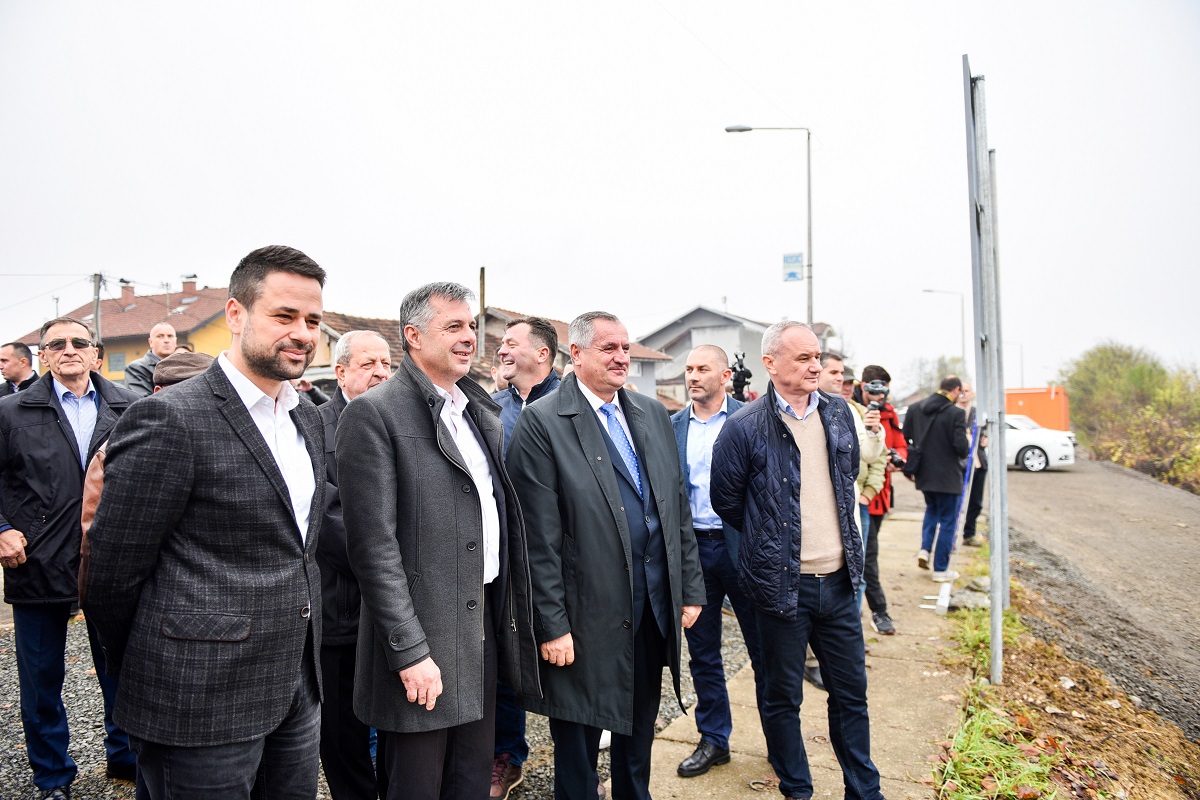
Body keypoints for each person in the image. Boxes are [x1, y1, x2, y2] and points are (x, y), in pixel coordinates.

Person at [84, 245, 327, 799]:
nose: (302, 333)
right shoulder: (169, 416)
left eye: (312, 320)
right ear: (236, 315)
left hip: (295, 686)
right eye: (284, 315)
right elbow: (112, 573)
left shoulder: (307, 419)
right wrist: (155, 664)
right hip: (195, 696)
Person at [336, 282, 540, 800]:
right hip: (422, 635)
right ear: (413, 336)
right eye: (453, 327)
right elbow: (374, 550)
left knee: (469, 779)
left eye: (470, 326)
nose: (470, 336)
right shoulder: (375, 414)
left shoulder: (478, 413)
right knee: (417, 784)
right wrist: (409, 652)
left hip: (480, 625)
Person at [505, 310, 705, 800]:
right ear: (575, 354)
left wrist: (689, 586)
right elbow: (535, 538)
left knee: (638, 736)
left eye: (625, 348)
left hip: (648, 610)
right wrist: (551, 624)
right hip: (583, 619)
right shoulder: (543, 422)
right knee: (578, 747)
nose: (621, 358)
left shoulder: (651, 414)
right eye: (608, 348)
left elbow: (674, 507)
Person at [711, 321, 884, 800]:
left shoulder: (838, 413)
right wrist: (774, 544)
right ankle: (797, 789)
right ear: (770, 363)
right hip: (782, 588)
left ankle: (864, 791)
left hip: (840, 583)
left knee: (851, 696)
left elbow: (847, 476)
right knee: (782, 698)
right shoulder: (743, 427)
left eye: (817, 357)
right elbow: (728, 502)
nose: (814, 366)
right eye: (803, 358)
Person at [0, 317, 140, 800]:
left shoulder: (130, 406)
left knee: (120, 670)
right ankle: (52, 776)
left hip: (111, 563)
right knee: (41, 681)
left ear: (96, 353)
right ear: (43, 356)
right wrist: (2, 529)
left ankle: (125, 756)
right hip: (37, 560)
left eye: (79, 342)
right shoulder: (11, 411)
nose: (69, 349)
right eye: (56, 344)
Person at [670, 345, 764, 779]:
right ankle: (714, 739)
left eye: (702, 369)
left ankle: (781, 741)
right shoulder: (673, 427)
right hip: (695, 552)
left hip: (743, 548)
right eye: (689, 369)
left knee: (765, 650)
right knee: (702, 652)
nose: (692, 376)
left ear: (725, 376)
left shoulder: (751, 419)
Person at [317, 330, 392, 800]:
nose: (381, 373)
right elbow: (328, 521)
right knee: (343, 735)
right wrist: (395, 566)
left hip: (397, 610)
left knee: (398, 728)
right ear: (341, 372)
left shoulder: (403, 423)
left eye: (387, 364)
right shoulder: (316, 427)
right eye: (369, 364)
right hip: (341, 611)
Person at [488, 316, 561, 800]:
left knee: (567, 663)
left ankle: (576, 764)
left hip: (562, 561)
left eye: (511, 343)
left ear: (543, 353)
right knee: (504, 663)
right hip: (504, 561)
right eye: (501, 343)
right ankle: (507, 755)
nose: (501, 350)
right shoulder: (492, 410)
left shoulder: (573, 407)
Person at [903, 376, 970, 581]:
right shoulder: (956, 413)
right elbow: (961, 448)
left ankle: (925, 549)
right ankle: (940, 569)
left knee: (932, 510)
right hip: (948, 476)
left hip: (924, 473)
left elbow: (906, 435)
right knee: (948, 521)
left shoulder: (915, 408)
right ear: (956, 390)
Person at [857, 365, 906, 635]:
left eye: (883, 388)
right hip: (863, 497)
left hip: (880, 495)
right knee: (867, 559)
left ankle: (869, 612)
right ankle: (879, 611)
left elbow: (898, 444)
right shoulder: (854, 411)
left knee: (869, 558)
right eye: (874, 387)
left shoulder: (889, 413)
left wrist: (897, 459)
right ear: (863, 385)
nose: (879, 393)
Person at [957, 383, 988, 546]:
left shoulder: (977, 413)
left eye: (967, 391)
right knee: (956, 502)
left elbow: (986, 433)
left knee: (975, 502)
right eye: (961, 391)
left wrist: (985, 439)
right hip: (958, 465)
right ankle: (951, 536)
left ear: (972, 394)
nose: (963, 394)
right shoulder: (951, 412)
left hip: (978, 463)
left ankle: (969, 533)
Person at [122, 322, 177, 396]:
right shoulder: (136, 368)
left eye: (170, 336)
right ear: (151, 342)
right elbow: (143, 400)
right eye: (160, 336)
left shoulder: (184, 367)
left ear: (175, 341)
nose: (166, 340)